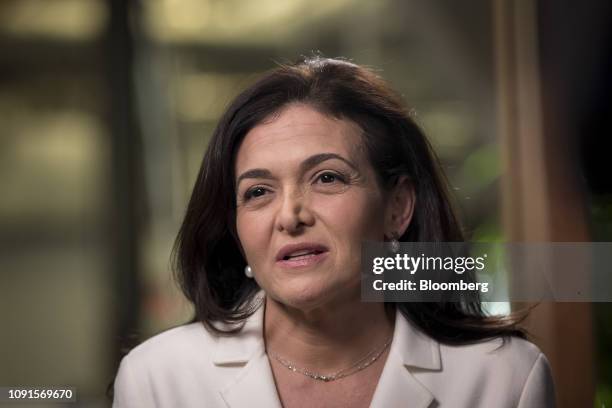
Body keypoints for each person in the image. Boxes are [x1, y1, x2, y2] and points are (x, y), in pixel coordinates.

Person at [112, 57, 555, 407]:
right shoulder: (157, 378)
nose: (290, 216)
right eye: (259, 191)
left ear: (397, 208)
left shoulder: (505, 378)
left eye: (327, 178)